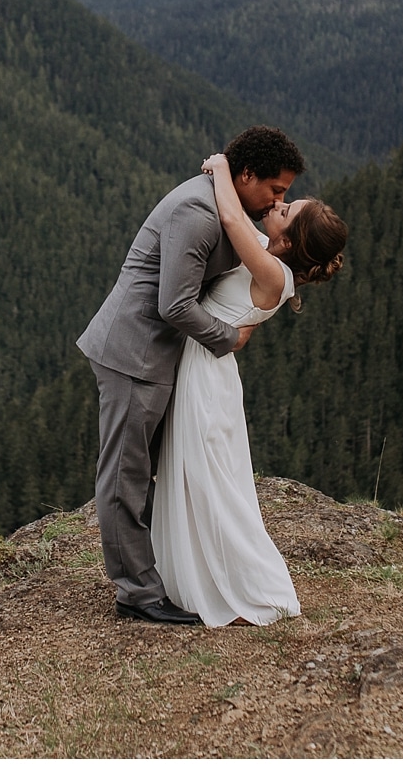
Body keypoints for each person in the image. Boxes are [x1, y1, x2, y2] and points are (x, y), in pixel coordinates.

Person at [76, 126, 305, 624]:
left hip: (159, 356)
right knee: (125, 475)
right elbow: (174, 304)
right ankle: (136, 594)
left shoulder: (225, 203)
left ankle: (159, 576)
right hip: (133, 353)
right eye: (276, 190)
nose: (276, 201)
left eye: (283, 196)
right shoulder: (198, 212)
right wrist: (230, 339)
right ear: (247, 175)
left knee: (150, 470)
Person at [152, 154, 347, 626]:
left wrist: (221, 167)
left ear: (286, 240)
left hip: (205, 373)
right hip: (210, 365)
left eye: (284, 210)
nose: (276, 206)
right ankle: (198, 578)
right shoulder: (275, 266)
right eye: (282, 200)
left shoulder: (273, 271)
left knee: (209, 479)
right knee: (203, 476)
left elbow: (230, 216)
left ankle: (247, 587)